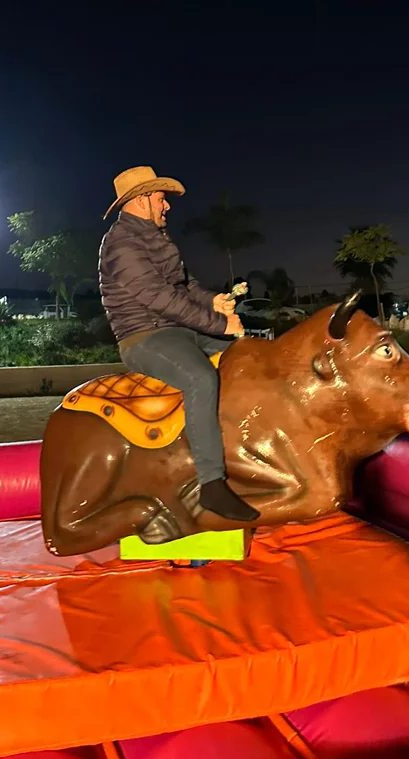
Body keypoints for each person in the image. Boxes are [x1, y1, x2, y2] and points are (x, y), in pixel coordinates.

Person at [98, 166, 259, 523]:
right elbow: (158, 297)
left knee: (244, 358)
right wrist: (219, 323)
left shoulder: (156, 237)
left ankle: (248, 452)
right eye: (161, 198)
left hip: (176, 328)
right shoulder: (121, 243)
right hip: (145, 336)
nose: (166, 205)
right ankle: (212, 484)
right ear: (142, 201)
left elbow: (183, 286)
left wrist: (213, 301)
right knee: (200, 378)